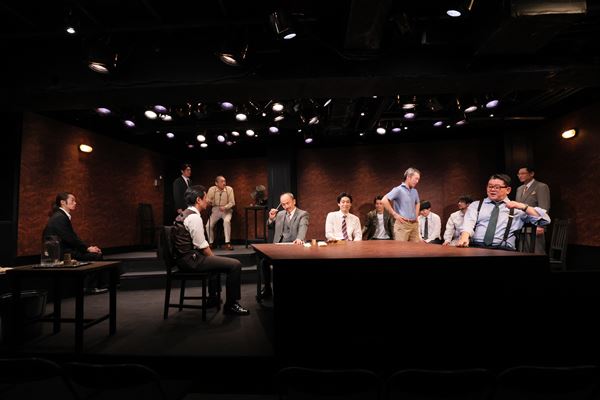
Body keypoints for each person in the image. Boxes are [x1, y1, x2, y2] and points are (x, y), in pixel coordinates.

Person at [172, 185, 249, 315]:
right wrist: (214, 258)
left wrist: (214, 260)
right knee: (235, 265)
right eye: (205, 197)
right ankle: (231, 305)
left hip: (183, 259)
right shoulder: (194, 218)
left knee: (213, 262)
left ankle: (213, 298)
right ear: (198, 200)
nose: (207, 200)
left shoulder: (184, 214)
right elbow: (202, 246)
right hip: (191, 261)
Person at [457, 174, 550, 250]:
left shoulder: (516, 208)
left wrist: (523, 206)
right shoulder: (476, 205)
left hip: (504, 249)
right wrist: (464, 237)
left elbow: (545, 220)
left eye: (497, 187)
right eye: (490, 186)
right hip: (476, 247)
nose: (492, 190)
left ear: (508, 190)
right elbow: (468, 223)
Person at [43, 192, 107, 294]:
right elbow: (71, 238)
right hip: (60, 254)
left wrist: (86, 248)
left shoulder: (60, 216)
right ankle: (89, 287)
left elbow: (71, 238)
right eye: (72, 200)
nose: (75, 203)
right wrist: (87, 248)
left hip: (62, 250)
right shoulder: (60, 217)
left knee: (93, 253)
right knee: (96, 255)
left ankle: (92, 285)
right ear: (63, 202)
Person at [259, 192, 309, 300]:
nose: (286, 206)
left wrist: (300, 238)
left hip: (295, 247)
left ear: (294, 201)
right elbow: (270, 226)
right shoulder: (280, 214)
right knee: (264, 262)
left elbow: (303, 227)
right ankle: (267, 288)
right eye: (283, 204)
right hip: (279, 247)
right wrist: (271, 218)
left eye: (288, 203)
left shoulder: (302, 214)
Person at [516, 166, 551, 254]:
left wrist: (541, 225)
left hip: (534, 226)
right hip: (521, 226)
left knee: (536, 251)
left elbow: (544, 207)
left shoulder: (541, 186)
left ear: (531, 174)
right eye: (518, 174)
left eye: (523, 173)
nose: (520, 176)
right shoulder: (519, 189)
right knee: (522, 252)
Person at [382, 167, 421, 242]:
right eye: (416, 179)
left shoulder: (414, 191)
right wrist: (394, 214)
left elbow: (418, 203)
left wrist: (416, 216)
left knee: (415, 248)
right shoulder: (398, 190)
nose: (417, 181)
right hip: (402, 224)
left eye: (418, 179)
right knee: (401, 248)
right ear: (408, 177)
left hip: (414, 225)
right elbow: (384, 200)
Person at [206, 176, 236, 250]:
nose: (224, 183)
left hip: (226, 210)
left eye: (224, 181)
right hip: (216, 209)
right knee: (208, 225)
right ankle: (210, 243)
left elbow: (232, 202)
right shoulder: (212, 189)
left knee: (226, 221)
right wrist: (209, 202)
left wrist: (225, 207)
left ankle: (227, 243)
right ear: (216, 183)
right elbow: (207, 200)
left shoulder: (229, 189)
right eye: (222, 181)